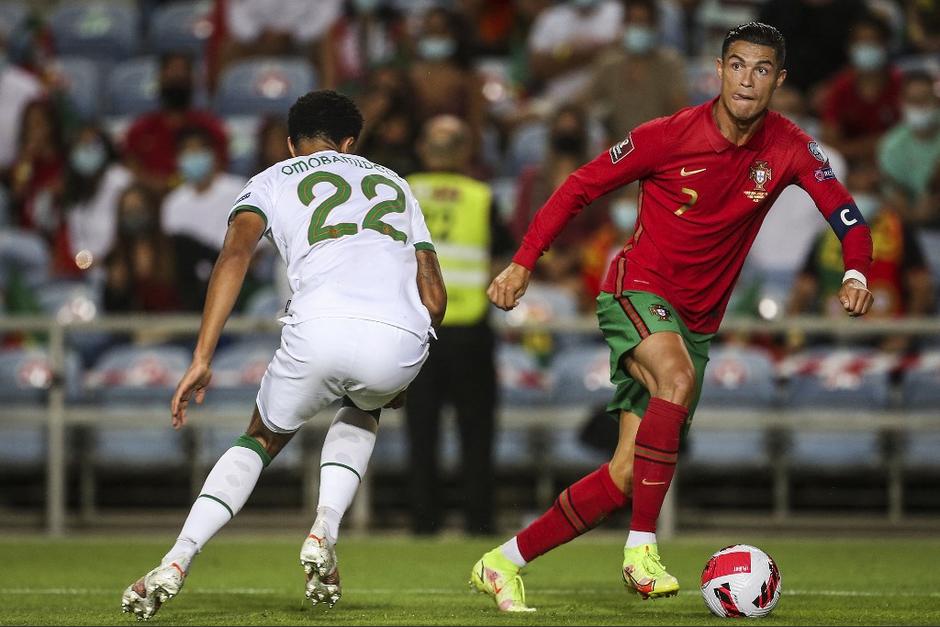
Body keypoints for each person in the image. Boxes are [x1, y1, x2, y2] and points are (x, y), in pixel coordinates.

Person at [471, 22, 874, 612]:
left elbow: (846, 215)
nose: (747, 78)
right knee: (676, 381)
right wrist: (523, 263)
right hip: (636, 291)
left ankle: (501, 561)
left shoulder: (789, 146)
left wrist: (856, 271)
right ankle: (640, 549)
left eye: (762, 69)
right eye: (737, 65)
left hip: (697, 323)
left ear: (779, 81)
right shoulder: (668, 135)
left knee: (625, 476)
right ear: (718, 69)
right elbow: (579, 185)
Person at [121, 90, 446, 621]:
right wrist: (404, 368)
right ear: (350, 143)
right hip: (399, 334)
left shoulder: (272, 179)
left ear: (290, 143)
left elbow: (234, 255)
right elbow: (433, 296)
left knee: (261, 437)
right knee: (365, 403)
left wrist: (203, 355)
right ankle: (325, 528)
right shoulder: (396, 184)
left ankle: (177, 559)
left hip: (317, 325)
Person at [404, 115, 514, 536]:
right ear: (465, 151)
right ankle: (478, 520)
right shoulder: (479, 195)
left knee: (422, 429)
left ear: (424, 149)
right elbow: (501, 254)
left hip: (418, 327)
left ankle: (424, 521)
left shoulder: (403, 191)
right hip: (469, 326)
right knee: (477, 430)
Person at [161, 126, 246, 310]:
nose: (193, 156)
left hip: (235, 279)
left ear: (212, 155)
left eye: (198, 150)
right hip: (190, 289)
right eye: (187, 151)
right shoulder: (173, 203)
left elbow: (256, 248)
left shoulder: (238, 190)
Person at [582, 0, 688, 142]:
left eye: (643, 22)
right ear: (624, 25)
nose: (638, 27)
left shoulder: (669, 64)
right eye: (633, 22)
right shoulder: (609, 64)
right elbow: (585, 101)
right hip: (618, 149)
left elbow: (681, 113)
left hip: (659, 146)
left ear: (654, 26)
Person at [123, 52, 228, 194]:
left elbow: (220, 167)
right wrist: (157, 187)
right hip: (152, 200)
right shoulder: (140, 129)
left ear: (192, 79)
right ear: (160, 78)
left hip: (199, 197)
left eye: (182, 73)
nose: (177, 78)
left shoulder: (211, 126)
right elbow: (131, 167)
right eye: (172, 73)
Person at [819, 11, 902, 166]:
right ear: (850, 47)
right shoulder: (839, 88)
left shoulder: (901, 84)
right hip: (852, 168)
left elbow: (912, 141)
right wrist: (875, 144)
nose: (866, 47)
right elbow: (830, 146)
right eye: (860, 42)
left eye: (872, 41)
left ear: (885, 45)